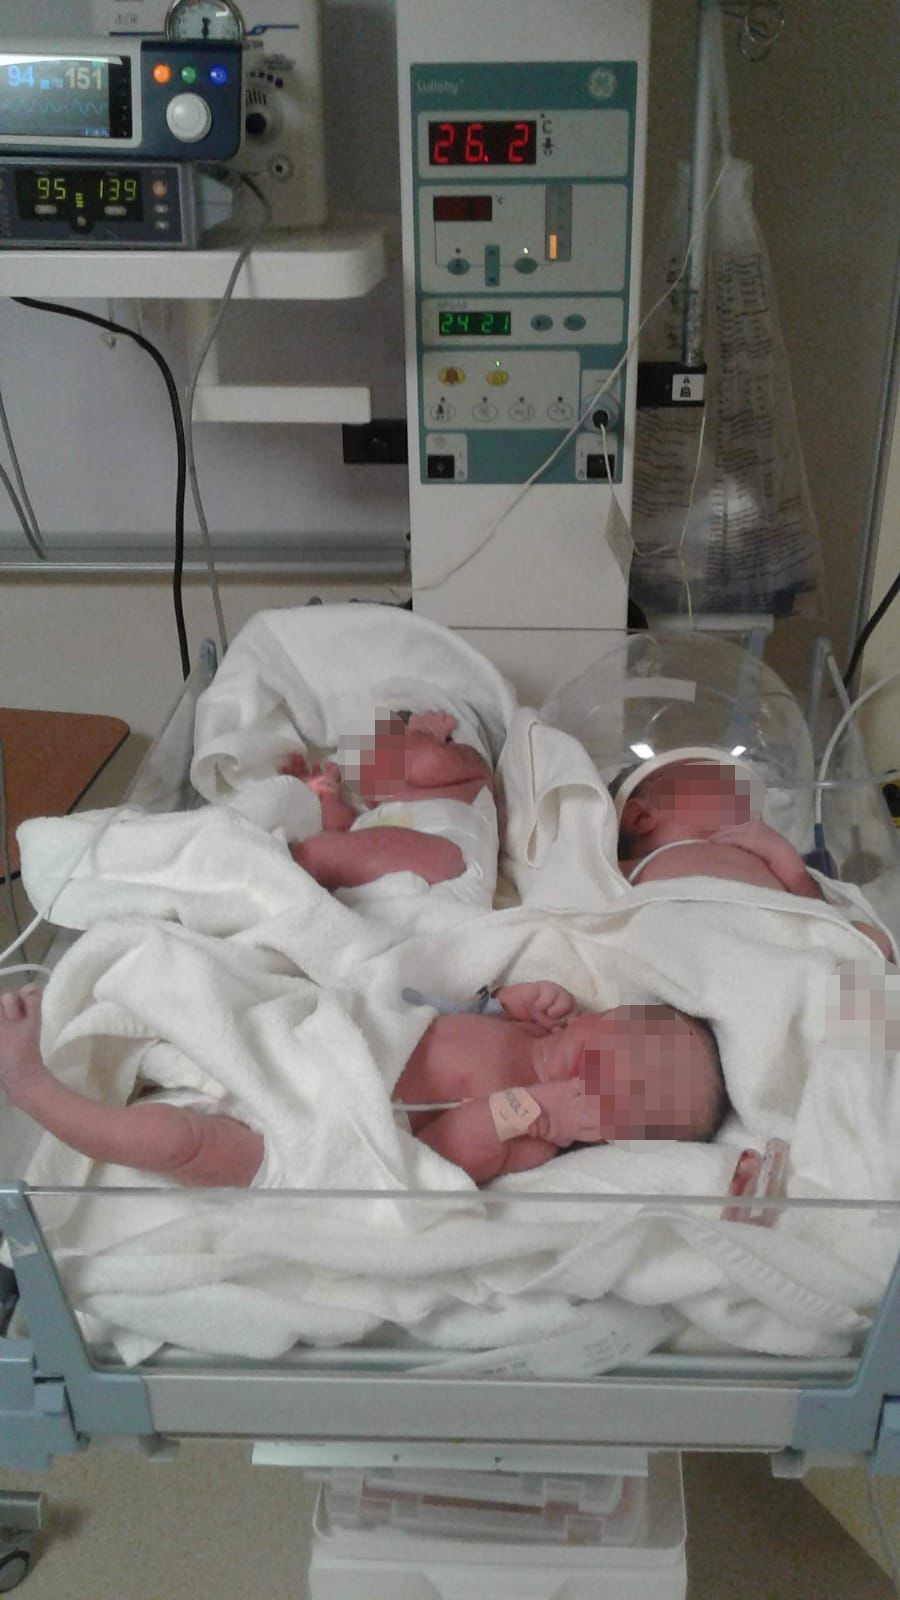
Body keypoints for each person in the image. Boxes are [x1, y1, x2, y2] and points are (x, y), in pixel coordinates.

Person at [0, 981, 727, 1190]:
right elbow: (424, 1008)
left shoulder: (535, 1140)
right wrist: (502, 1000)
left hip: (309, 1138)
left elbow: (441, 1156)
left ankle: (33, 1088)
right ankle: (114, 1038)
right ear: (596, 1017)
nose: (618, 1078)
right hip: (305, 1053)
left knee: (175, 1143)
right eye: (634, 1050)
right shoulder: (521, 1029)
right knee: (190, 1005)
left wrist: (522, 1113)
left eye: (637, 1100)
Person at [615, 753, 895, 961]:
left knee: (870, 942)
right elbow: (597, 896)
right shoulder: (628, 870)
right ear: (640, 818)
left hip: (795, 956)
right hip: (699, 962)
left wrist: (789, 864)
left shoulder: (760, 858)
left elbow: (815, 912)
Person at [282, 710, 498, 899]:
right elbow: (339, 829)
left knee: (316, 853)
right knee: (327, 851)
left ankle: (281, 872)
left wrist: (421, 735)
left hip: (451, 866)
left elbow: (430, 762)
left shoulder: (467, 772)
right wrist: (326, 791)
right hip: (382, 903)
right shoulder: (379, 813)